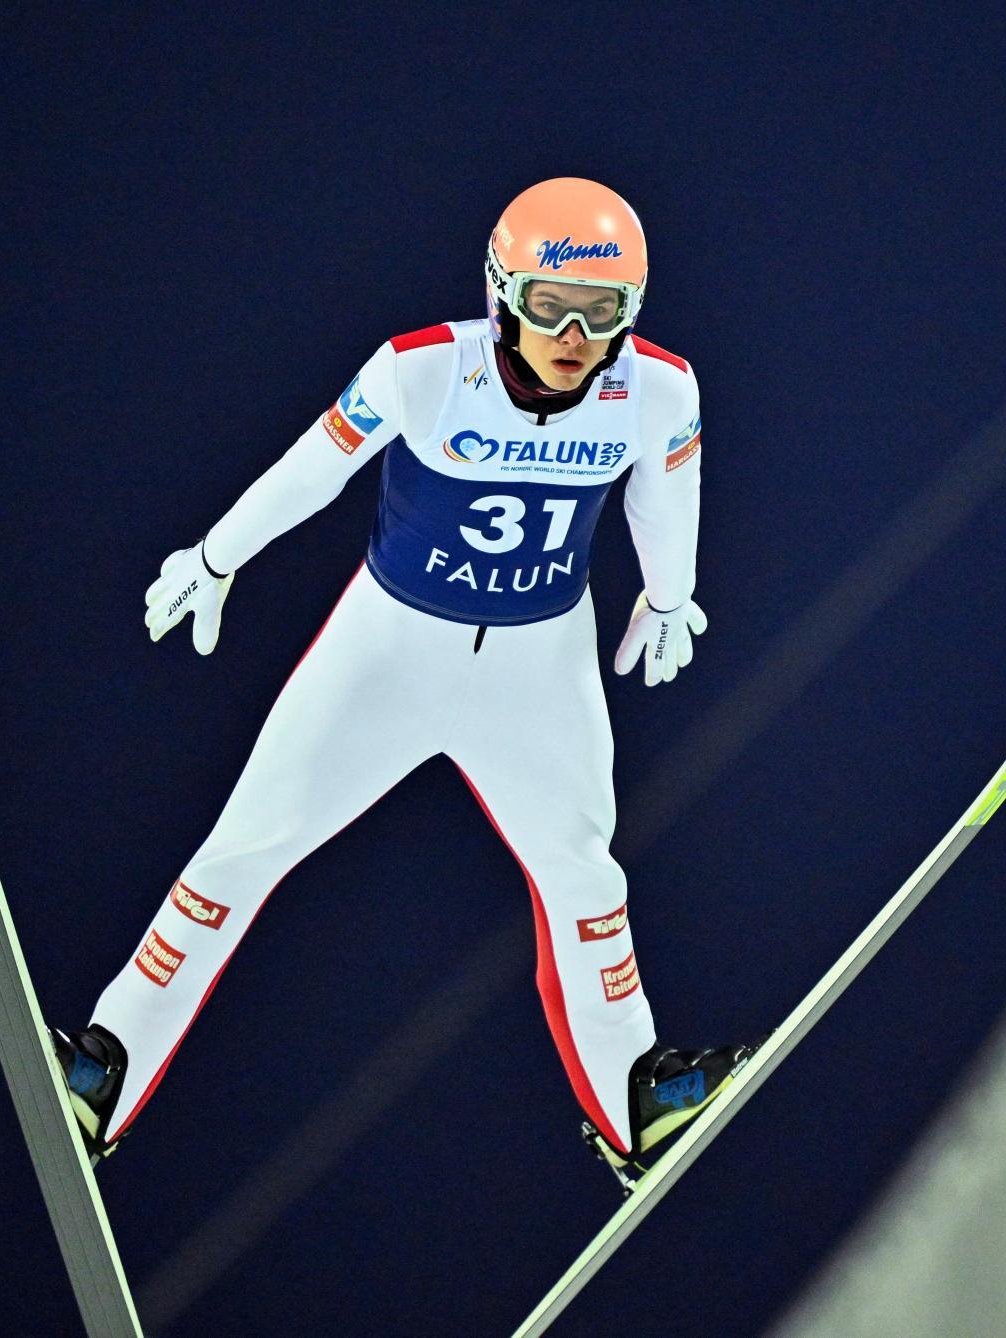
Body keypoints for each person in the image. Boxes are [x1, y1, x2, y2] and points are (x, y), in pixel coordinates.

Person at [50, 177, 753, 1186]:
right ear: (500, 292)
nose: (569, 333)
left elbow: (665, 486)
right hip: (387, 653)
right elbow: (312, 470)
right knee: (243, 848)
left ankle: (635, 1098)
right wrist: (216, 555)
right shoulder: (423, 371)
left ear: (630, 314)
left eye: (599, 313)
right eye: (547, 304)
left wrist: (671, 594)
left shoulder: (658, 390)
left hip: (537, 666)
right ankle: (105, 1070)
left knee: (584, 876)